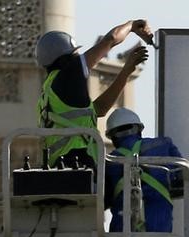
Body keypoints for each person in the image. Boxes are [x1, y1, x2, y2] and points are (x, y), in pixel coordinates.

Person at [35, 21, 153, 167]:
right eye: (74, 53)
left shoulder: (51, 90)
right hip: (77, 162)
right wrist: (132, 25)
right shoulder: (68, 75)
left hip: (61, 166)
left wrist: (126, 71)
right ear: (64, 58)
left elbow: (100, 108)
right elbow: (111, 39)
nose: (77, 56)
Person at [105, 108, 184, 237]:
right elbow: (185, 177)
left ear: (112, 137)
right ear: (139, 129)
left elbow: (101, 200)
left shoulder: (109, 162)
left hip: (123, 235)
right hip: (158, 232)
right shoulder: (163, 146)